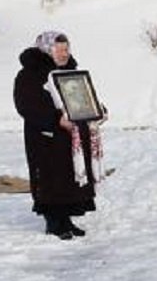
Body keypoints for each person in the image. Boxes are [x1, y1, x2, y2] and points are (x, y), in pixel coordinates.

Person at [13, 31, 104, 240]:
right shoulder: (30, 74)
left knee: (69, 177)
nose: (64, 53)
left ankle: (66, 220)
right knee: (51, 177)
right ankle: (54, 222)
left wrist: (97, 110)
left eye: (66, 48)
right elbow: (27, 105)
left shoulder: (70, 72)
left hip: (70, 137)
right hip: (45, 137)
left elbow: (83, 99)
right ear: (46, 50)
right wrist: (55, 121)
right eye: (59, 49)